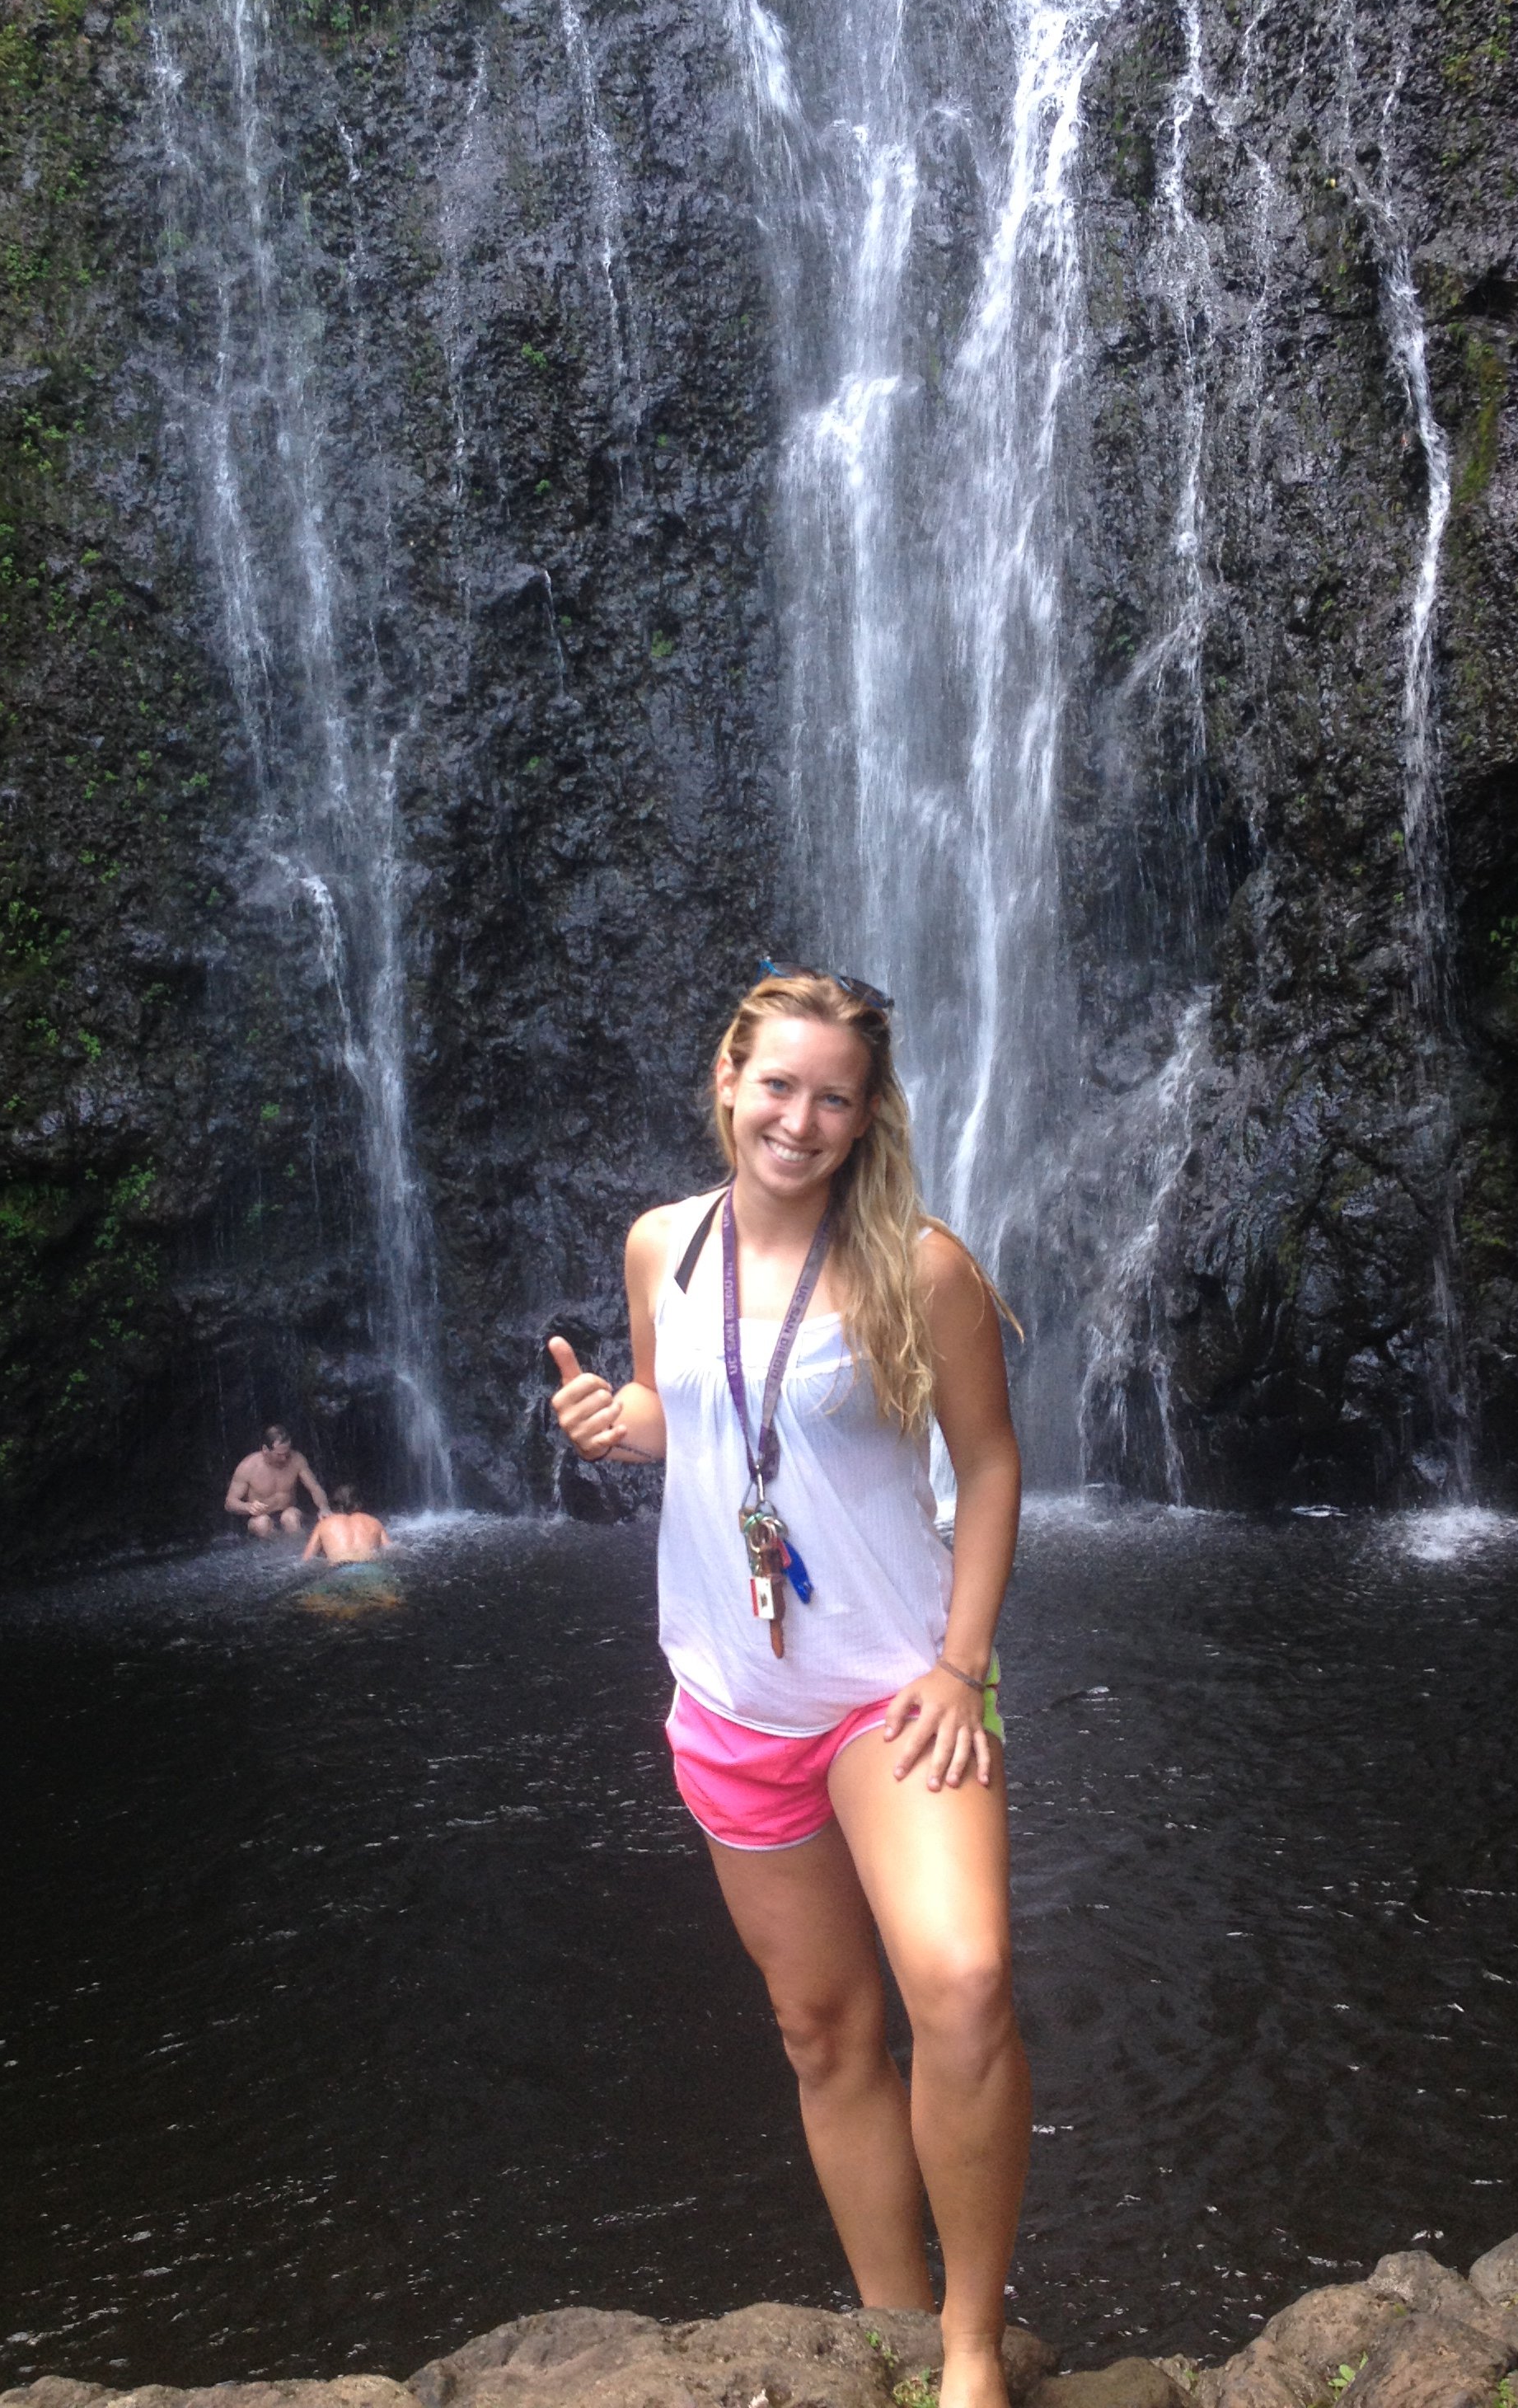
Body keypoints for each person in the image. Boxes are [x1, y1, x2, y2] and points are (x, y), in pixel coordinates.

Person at [547, 968, 1028, 2408]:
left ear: (866, 1110)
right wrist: (611, 1424)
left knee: (962, 1982)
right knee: (824, 2031)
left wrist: (959, 1661)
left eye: (832, 1095)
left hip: (895, 1693)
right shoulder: (660, 1246)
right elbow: (670, 1409)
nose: (798, 1118)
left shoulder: (916, 1263)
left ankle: (968, 2346)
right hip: (732, 1697)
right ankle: (889, 2325)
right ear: (726, 1081)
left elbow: (991, 1462)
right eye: (777, 1085)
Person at [223, 1425, 328, 1538]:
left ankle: (298, 1552)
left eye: (286, 1454)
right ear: (265, 1450)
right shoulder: (248, 1467)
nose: (284, 1459)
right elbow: (230, 1503)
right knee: (261, 1524)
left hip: (289, 1510)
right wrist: (248, 1507)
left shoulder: (297, 1460)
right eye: (279, 1455)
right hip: (259, 1517)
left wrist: (324, 1508)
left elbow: (315, 1488)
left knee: (290, 1518)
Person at [301, 1483, 393, 1565]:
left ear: (335, 1503)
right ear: (359, 1503)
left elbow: (307, 1559)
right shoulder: (374, 1522)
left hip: (340, 1570)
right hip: (369, 1568)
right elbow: (390, 1551)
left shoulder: (324, 1525)